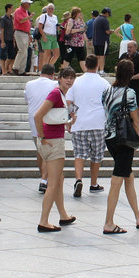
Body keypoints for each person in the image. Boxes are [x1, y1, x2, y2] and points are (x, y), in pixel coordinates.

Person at [100, 59, 139, 235]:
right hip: (124, 139)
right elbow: (135, 120)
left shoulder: (107, 91)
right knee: (117, 179)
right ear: (130, 74)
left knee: (128, 175)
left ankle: (138, 216)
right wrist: (135, 141)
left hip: (110, 137)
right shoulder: (130, 93)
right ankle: (109, 223)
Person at [33, 68, 78, 232]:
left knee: (59, 179)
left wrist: (70, 122)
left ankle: (63, 215)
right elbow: (38, 115)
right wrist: (42, 137)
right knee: (53, 183)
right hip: (52, 141)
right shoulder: (55, 93)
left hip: (52, 139)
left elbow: (55, 119)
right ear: (59, 78)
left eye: (72, 77)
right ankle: (43, 221)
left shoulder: (60, 95)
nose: (69, 80)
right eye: (66, 77)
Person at [65, 54, 108, 197]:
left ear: (85, 65)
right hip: (98, 122)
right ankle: (94, 183)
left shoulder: (76, 82)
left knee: (79, 153)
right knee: (97, 155)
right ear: (97, 65)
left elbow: (69, 101)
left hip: (80, 123)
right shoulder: (104, 83)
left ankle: (78, 179)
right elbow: (108, 104)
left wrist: (72, 116)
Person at [24, 64, 58, 193]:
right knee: (48, 153)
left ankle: (44, 178)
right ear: (53, 74)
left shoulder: (29, 84)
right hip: (48, 122)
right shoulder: (54, 85)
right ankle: (44, 180)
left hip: (33, 122)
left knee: (40, 151)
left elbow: (26, 99)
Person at [119, 40, 139, 133]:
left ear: (135, 48)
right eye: (128, 47)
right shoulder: (123, 56)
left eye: (131, 47)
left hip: (136, 85)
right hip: (124, 85)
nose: (129, 49)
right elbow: (117, 67)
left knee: (138, 104)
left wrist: (132, 77)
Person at [35, 3, 60, 69]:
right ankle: (44, 68)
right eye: (49, 8)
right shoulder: (44, 16)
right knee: (47, 54)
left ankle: (48, 66)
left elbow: (55, 25)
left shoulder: (55, 17)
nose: (50, 10)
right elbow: (40, 26)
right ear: (47, 9)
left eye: (52, 9)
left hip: (54, 36)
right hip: (46, 35)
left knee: (56, 54)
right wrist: (43, 35)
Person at [63, 7, 87, 72]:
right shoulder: (71, 20)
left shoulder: (80, 21)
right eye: (79, 13)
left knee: (82, 59)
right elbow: (68, 31)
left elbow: (84, 29)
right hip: (72, 43)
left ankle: (86, 73)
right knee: (68, 59)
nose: (80, 14)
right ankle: (62, 72)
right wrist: (79, 30)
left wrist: (86, 40)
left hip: (80, 43)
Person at [13, 0, 33, 75]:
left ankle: (21, 70)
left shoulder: (25, 11)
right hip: (20, 32)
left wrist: (29, 35)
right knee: (22, 50)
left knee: (25, 52)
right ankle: (15, 67)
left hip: (25, 33)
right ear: (24, 4)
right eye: (28, 3)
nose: (29, 5)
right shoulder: (18, 11)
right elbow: (21, 20)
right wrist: (29, 17)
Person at [92, 7, 112, 74]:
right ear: (106, 13)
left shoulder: (96, 18)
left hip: (96, 41)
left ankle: (96, 70)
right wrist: (112, 31)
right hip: (103, 41)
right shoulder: (104, 20)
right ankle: (101, 70)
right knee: (102, 56)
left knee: (97, 56)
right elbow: (107, 32)